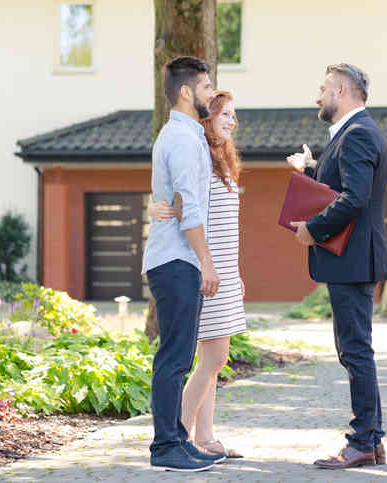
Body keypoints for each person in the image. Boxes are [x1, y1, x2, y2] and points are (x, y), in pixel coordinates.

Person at [287, 63, 387, 469]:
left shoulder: (359, 133)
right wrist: (312, 170)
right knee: (356, 350)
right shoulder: (352, 134)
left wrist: (312, 229)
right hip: (353, 261)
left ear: (342, 90)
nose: (318, 96)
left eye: (324, 88)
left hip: (352, 261)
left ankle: (363, 441)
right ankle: (373, 440)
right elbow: (345, 187)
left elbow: (355, 198)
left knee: (355, 351)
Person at [149, 90, 246, 459]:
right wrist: (156, 208)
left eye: (235, 115)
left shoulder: (220, 159)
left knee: (214, 358)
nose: (232, 120)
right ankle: (182, 437)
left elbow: (223, 223)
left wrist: (233, 271)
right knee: (212, 358)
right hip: (204, 269)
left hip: (221, 269)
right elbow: (182, 203)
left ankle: (204, 437)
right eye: (225, 113)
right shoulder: (196, 152)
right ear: (206, 117)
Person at [142, 55, 225, 473]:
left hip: (178, 258)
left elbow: (177, 203)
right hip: (177, 259)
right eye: (207, 86)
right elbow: (189, 208)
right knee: (174, 356)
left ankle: (176, 438)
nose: (212, 93)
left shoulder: (186, 136)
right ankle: (165, 447)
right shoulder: (182, 139)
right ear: (187, 92)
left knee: (180, 354)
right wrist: (207, 263)